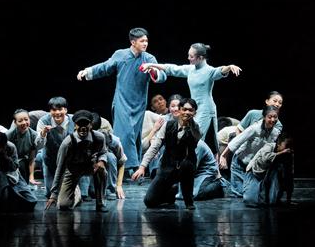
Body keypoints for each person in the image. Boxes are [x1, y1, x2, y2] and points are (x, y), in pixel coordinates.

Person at [76, 27, 167, 172]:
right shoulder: (121, 55)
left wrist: (152, 70)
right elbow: (105, 66)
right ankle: (130, 166)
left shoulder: (149, 59)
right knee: (126, 133)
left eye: (146, 41)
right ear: (133, 42)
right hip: (122, 101)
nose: (145, 43)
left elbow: (162, 76)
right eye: (142, 41)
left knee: (134, 135)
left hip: (139, 103)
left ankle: (130, 168)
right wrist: (88, 71)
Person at [141, 43, 241, 157]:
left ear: (200, 58)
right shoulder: (191, 69)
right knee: (193, 138)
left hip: (206, 109)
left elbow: (220, 71)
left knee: (196, 140)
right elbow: (171, 68)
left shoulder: (209, 71)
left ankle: (197, 164)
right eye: (189, 55)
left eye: (191, 56)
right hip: (194, 109)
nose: (188, 58)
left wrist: (229, 67)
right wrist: (151, 65)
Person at [131, 98, 201, 210]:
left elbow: (195, 139)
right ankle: (170, 193)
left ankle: (188, 200)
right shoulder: (168, 125)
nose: (187, 112)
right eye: (184, 109)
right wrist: (142, 166)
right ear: (180, 110)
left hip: (185, 167)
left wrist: (189, 125)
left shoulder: (195, 128)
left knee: (187, 165)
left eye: (190, 110)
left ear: (194, 113)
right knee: (149, 201)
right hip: (167, 166)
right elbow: (155, 147)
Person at [45, 110, 109, 212]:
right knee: (63, 205)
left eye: (86, 124)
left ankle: (100, 203)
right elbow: (60, 168)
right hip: (72, 170)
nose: (83, 127)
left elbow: (103, 152)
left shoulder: (99, 137)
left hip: (90, 167)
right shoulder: (67, 143)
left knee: (101, 170)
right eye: (80, 124)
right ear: (75, 126)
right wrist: (54, 194)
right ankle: (76, 194)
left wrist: (102, 161)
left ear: (90, 125)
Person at [219, 106, 282, 198]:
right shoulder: (255, 128)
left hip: (253, 166)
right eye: (270, 117)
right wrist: (223, 156)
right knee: (239, 194)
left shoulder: (275, 133)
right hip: (240, 164)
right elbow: (237, 141)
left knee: (251, 196)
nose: (273, 120)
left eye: (275, 117)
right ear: (264, 117)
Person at [0, 132, 38, 213]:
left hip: (12, 176)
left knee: (32, 201)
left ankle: (9, 198)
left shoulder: (11, 147)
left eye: (2, 146)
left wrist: (5, 157)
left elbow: (15, 167)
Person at [35, 97, 75, 198]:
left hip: (70, 159)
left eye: (60, 109)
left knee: (80, 194)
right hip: (50, 158)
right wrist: (43, 133)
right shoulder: (44, 121)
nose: (57, 113)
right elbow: (38, 145)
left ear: (66, 110)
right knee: (50, 193)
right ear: (50, 111)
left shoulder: (74, 120)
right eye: (53, 110)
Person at [243, 133, 294, 207]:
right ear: (279, 144)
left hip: (269, 175)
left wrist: (288, 200)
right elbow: (265, 158)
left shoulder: (287, 155)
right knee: (250, 200)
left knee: (273, 202)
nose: (289, 149)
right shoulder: (269, 146)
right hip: (255, 172)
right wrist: (281, 153)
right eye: (287, 145)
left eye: (291, 146)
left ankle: (271, 197)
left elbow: (289, 177)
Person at [6, 109, 40, 185]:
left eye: (26, 119)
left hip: (23, 162)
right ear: (15, 122)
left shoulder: (34, 135)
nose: (24, 123)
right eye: (20, 121)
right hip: (9, 162)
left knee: (23, 164)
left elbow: (32, 158)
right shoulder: (9, 135)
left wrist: (31, 177)